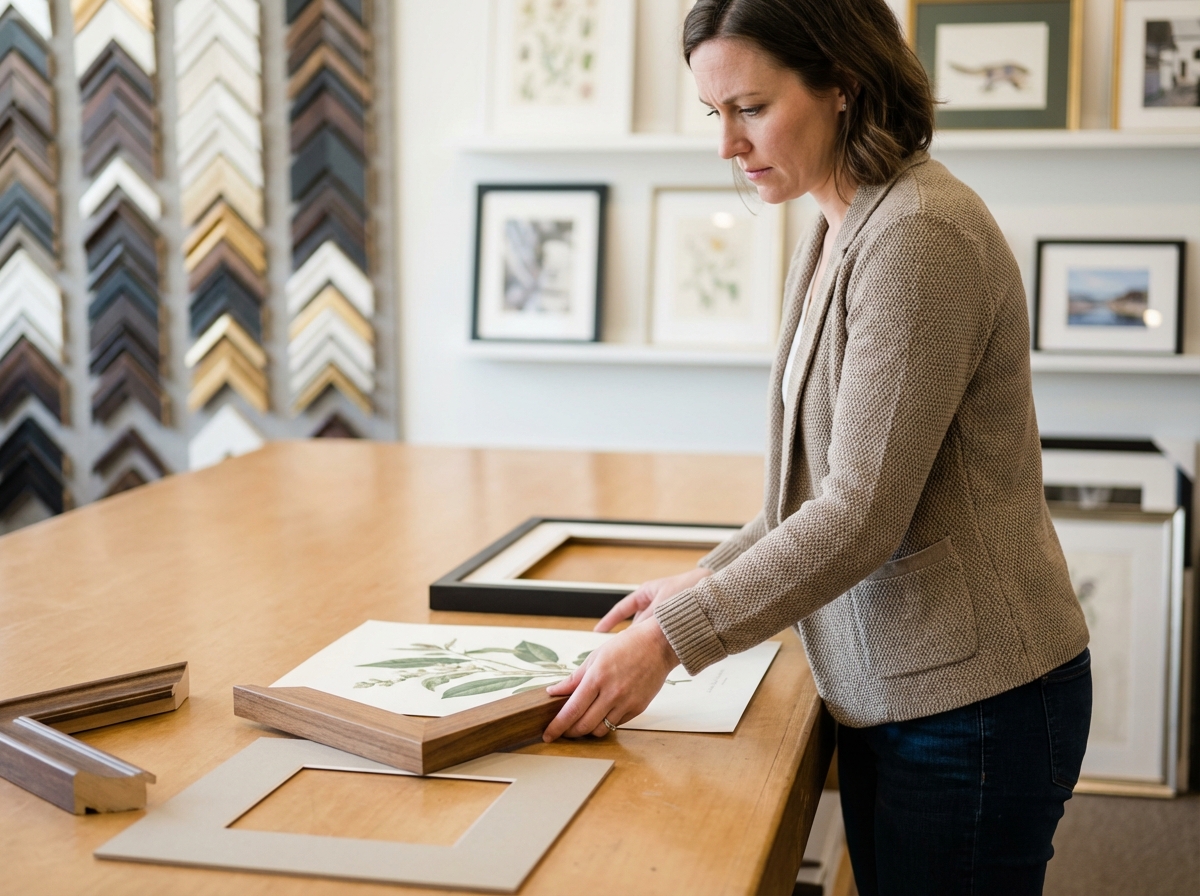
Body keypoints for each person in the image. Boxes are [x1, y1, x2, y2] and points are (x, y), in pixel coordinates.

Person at [541, 1, 1092, 893]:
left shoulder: (919, 234)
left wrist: (667, 644)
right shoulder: (841, 220)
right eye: (713, 113)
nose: (727, 145)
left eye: (750, 108)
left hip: (974, 703)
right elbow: (814, 489)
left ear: (844, 85)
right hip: (905, 686)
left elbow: (861, 513)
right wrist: (707, 576)